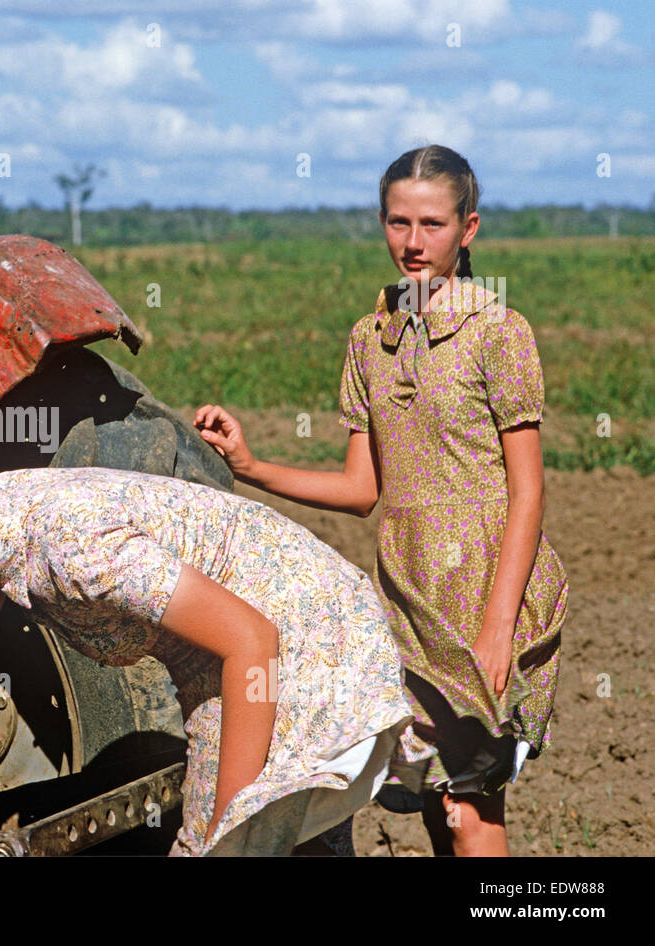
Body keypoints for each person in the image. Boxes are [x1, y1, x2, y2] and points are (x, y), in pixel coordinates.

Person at [195, 145, 567, 856]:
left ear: (470, 228)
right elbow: (361, 490)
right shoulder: (370, 340)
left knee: (469, 806)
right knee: (431, 799)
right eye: (399, 222)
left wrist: (496, 628)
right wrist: (249, 465)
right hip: (404, 599)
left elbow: (529, 492)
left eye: (432, 223)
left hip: (487, 593)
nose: (414, 242)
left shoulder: (498, 333)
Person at [0, 441, 424, 857]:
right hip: (240, 651)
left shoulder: (76, 549)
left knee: (233, 844)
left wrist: (229, 827)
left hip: (299, 638)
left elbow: (252, 639)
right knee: (297, 843)